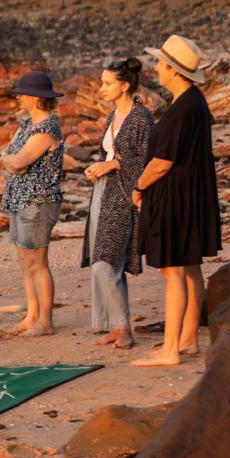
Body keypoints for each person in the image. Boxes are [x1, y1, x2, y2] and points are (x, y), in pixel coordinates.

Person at [131, 36, 222, 368]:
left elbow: (163, 162)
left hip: (177, 197)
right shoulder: (193, 101)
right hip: (190, 195)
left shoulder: (185, 106)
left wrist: (139, 187)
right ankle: (187, 339)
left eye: (161, 64)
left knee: (174, 272)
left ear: (173, 69)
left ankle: (171, 348)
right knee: (189, 268)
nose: (156, 68)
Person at [81, 58, 153, 351]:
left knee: (106, 261)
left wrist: (111, 166)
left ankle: (123, 328)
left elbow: (147, 160)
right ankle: (114, 325)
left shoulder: (141, 117)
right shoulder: (114, 115)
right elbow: (111, 155)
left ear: (124, 86)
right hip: (104, 193)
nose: (101, 88)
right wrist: (98, 167)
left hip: (124, 196)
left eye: (107, 83)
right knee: (102, 257)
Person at [0, 71, 65, 337]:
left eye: (24, 93)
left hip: (38, 202)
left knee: (38, 261)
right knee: (25, 260)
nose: (20, 97)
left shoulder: (48, 128)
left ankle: (45, 321)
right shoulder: (27, 125)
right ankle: (32, 315)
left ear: (36, 98)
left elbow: (17, 160)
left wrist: (11, 159)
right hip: (19, 198)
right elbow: (6, 153)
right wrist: (9, 158)